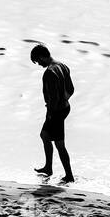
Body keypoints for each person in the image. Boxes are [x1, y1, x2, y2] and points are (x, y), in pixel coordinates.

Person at [30, 44, 75, 182]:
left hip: (56, 110)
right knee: (44, 135)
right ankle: (48, 167)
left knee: (59, 144)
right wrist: (63, 101)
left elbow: (54, 97)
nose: (38, 64)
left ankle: (69, 176)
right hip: (64, 107)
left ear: (43, 56)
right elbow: (71, 89)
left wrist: (51, 112)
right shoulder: (62, 65)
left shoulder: (50, 72)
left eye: (38, 61)